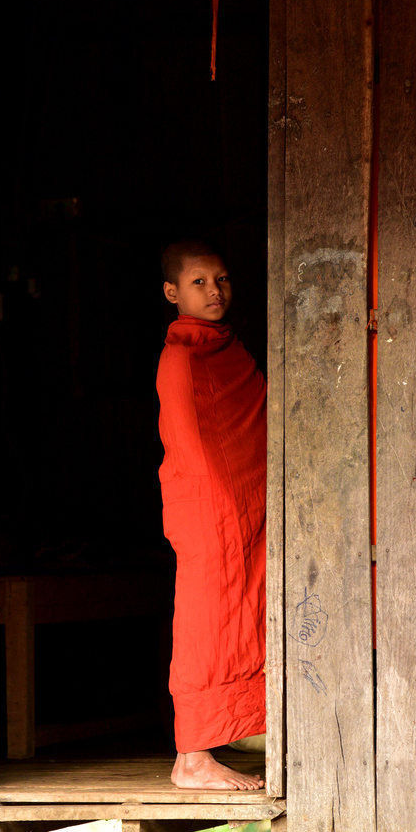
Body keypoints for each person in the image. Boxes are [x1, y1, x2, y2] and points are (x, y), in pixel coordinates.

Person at [156, 238, 267, 790]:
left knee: (249, 611)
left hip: (247, 502)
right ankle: (193, 758)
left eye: (221, 279)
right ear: (172, 292)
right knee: (206, 621)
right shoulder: (181, 357)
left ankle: (247, 728)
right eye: (198, 282)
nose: (214, 291)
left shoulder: (231, 350)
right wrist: (223, 509)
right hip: (209, 507)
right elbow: (188, 443)